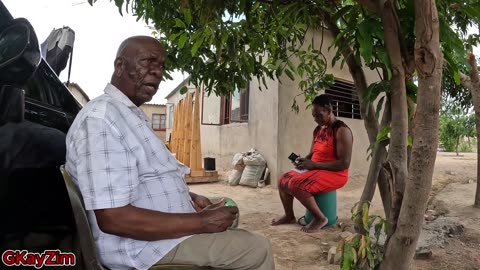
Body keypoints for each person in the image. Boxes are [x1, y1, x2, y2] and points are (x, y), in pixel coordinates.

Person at [65, 36, 274, 270]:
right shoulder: (101, 120)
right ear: (120, 66)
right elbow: (113, 217)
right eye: (148, 61)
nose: (157, 72)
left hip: (158, 239)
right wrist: (200, 222)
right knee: (256, 249)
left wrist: (191, 199)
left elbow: (147, 176)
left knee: (230, 215)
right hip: (140, 249)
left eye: (161, 66)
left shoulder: (127, 114)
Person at [271, 95, 353, 233]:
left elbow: (344, 164)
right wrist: (303, 161)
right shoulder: (318, 130)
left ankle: (320, 218)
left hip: (336, 173)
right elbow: (312, 154)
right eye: (314, 116)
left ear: (328, 110)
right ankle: (289, 216)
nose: (316, 119)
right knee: (282, 180)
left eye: (319, 115)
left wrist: (314, 165)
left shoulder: (341, 130)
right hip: (316, 169)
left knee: (297, 184)